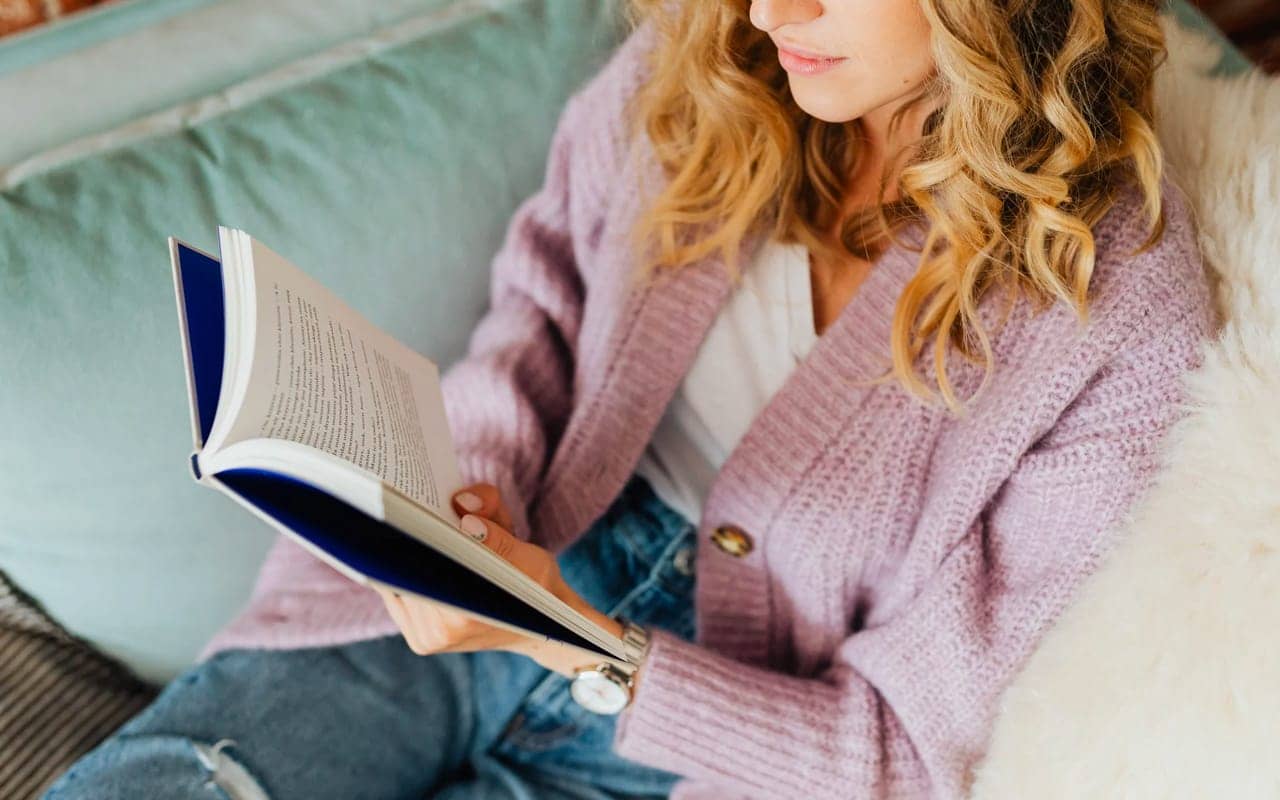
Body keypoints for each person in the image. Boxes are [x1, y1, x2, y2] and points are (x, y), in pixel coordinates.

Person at [46, 0, 1215, 798]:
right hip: (468, 591)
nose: (770, 11)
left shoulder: (1109, 309)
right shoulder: (693, 78)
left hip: (710, 738)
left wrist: (586, 645)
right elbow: (537, 307)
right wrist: (472, 499)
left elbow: (900, 748)